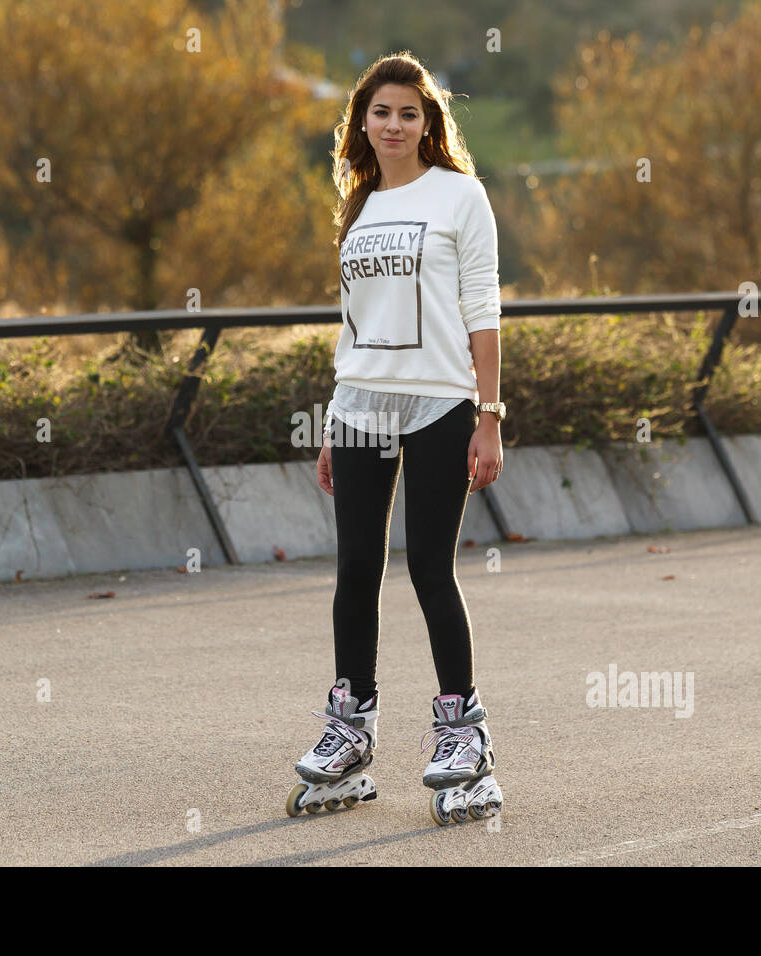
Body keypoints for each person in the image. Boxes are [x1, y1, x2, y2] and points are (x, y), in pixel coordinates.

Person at [286, 52, 505, 826]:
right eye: (381, 112)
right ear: (363, 121)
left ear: (428, 122)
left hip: (441, 402)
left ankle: (463, 737)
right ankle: (351, 727)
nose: (394, 125)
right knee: (353, 571)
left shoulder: (459, 195)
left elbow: (482, 306)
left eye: (409, 113)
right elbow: (356, 323)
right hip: (362, 405)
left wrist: (489, 414)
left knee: (429, 570)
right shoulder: (359, 201)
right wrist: (335, 418)